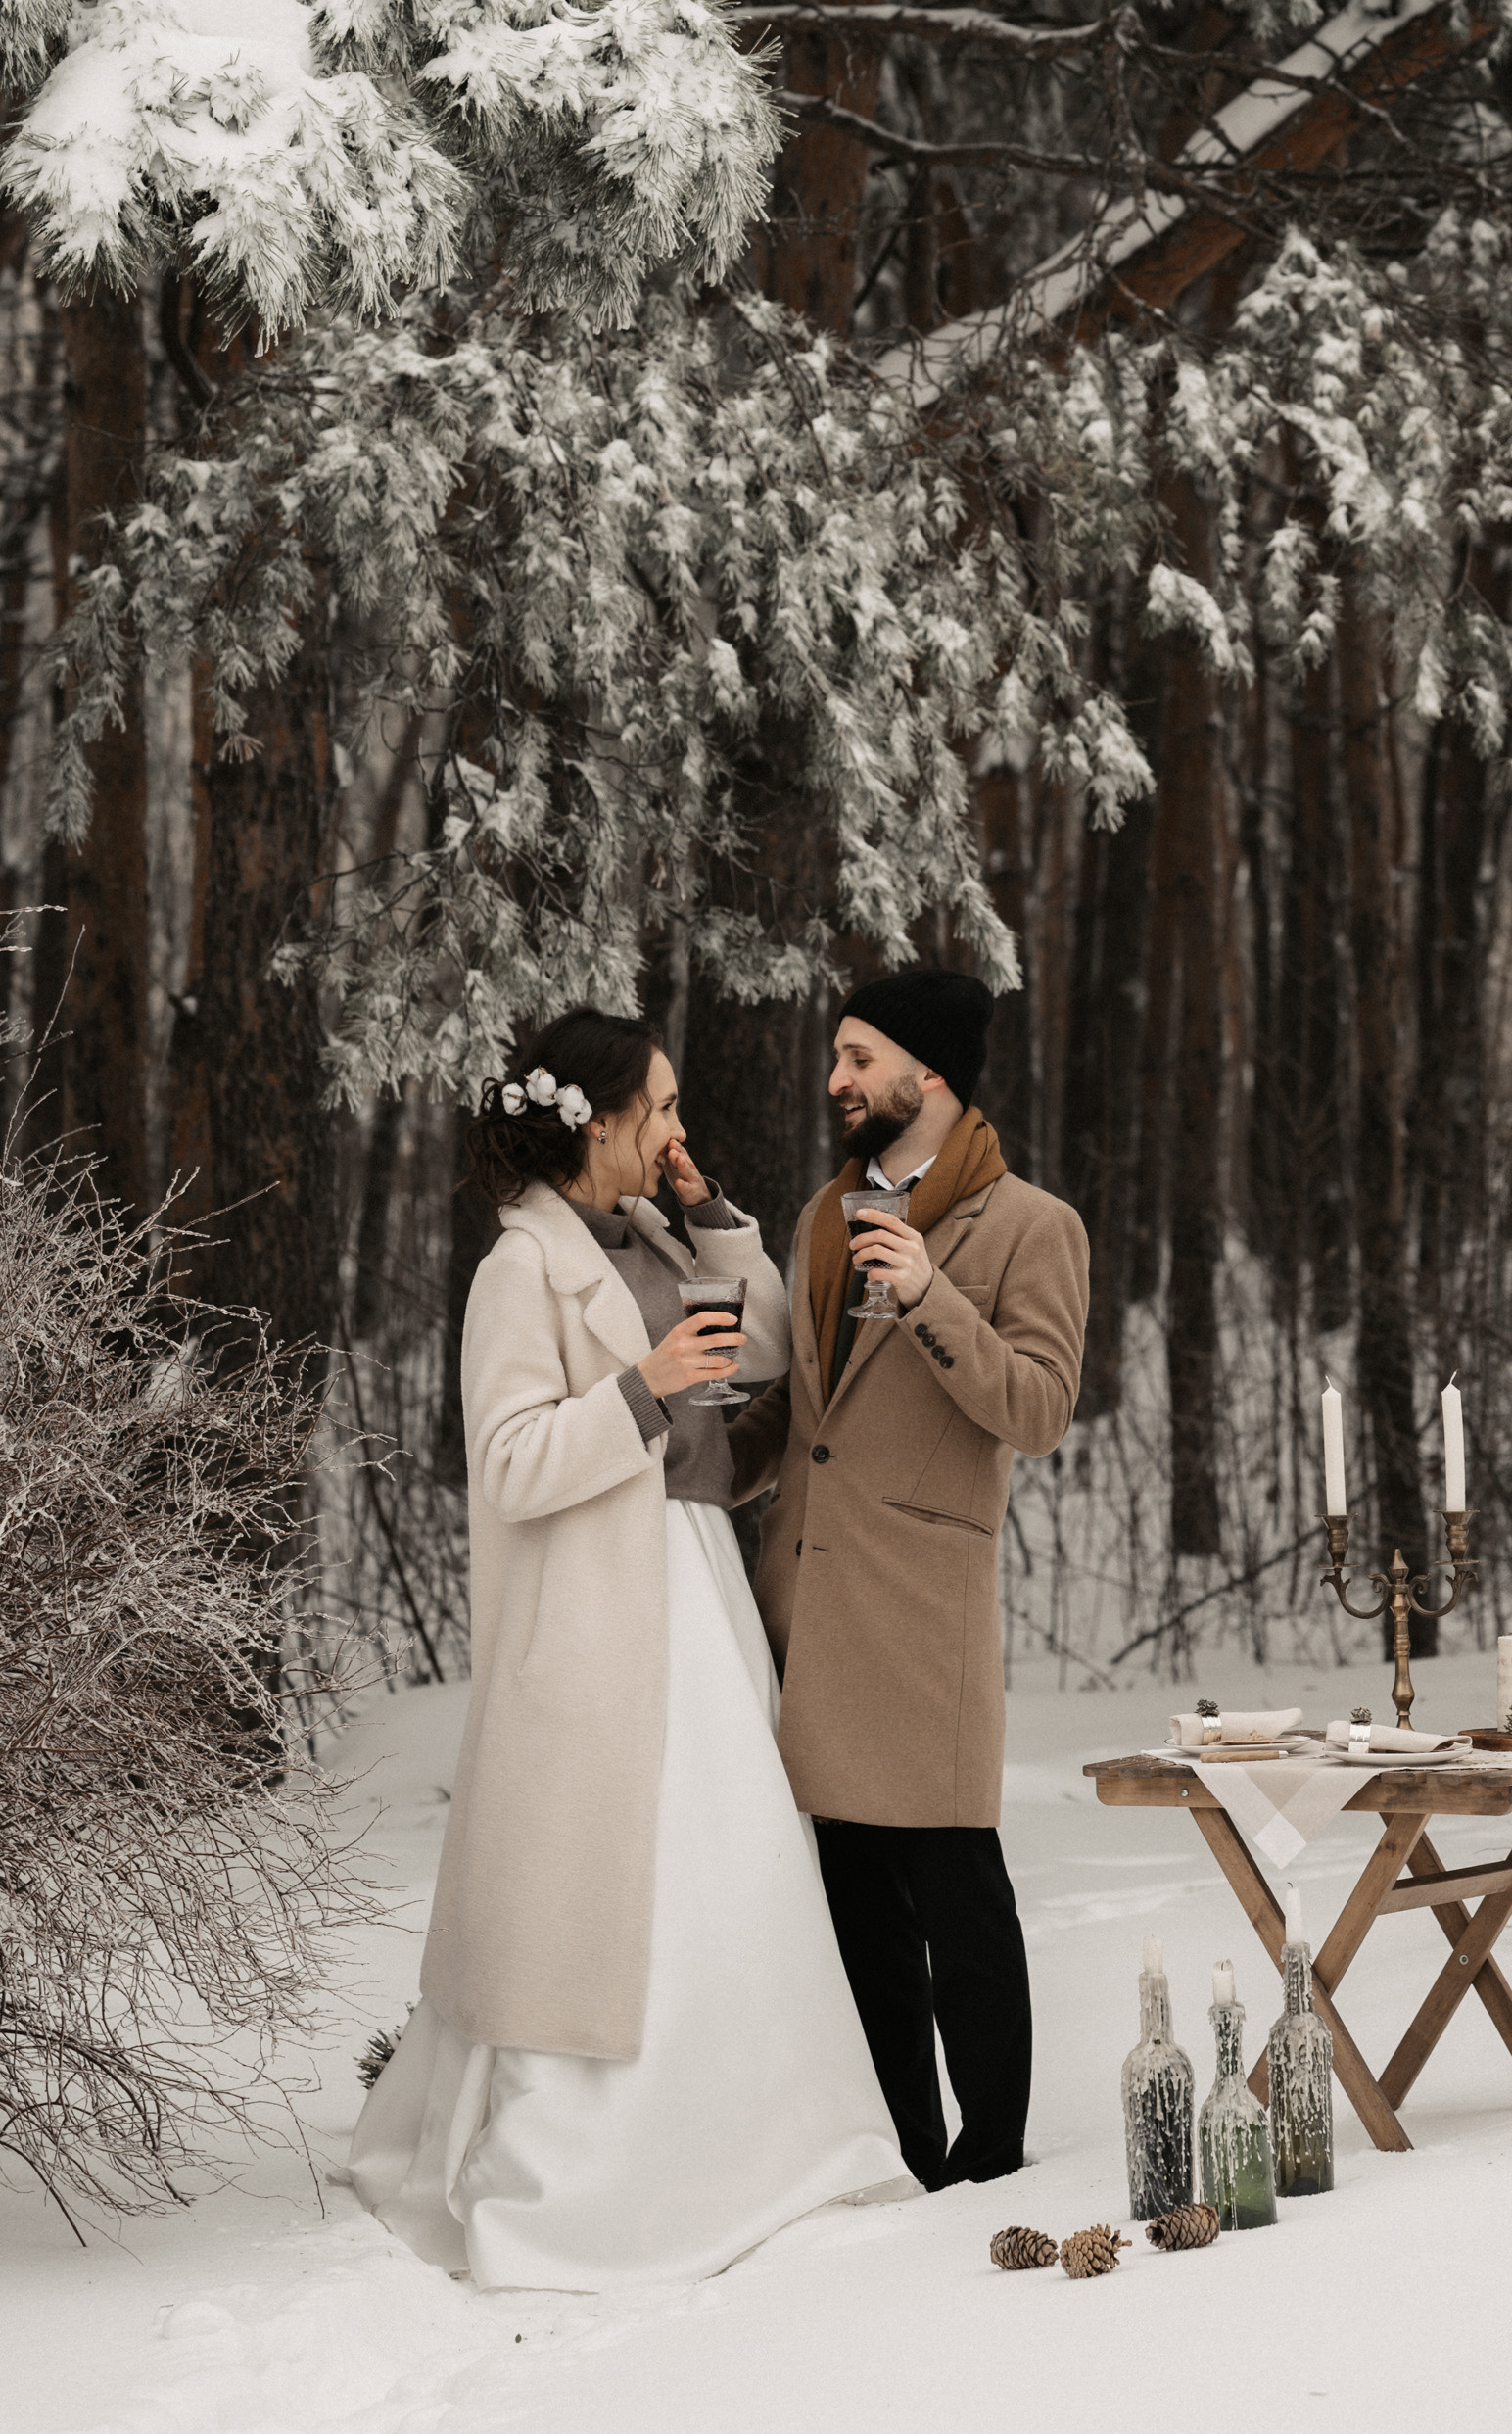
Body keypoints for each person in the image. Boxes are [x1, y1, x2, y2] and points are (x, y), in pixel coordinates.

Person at [351, 1006, 910, 2290]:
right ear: (594, 1120)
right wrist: (642, 1387)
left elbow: (766, 1347)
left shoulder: (657, 1234)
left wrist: (709, 1213)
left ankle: (769, 2144)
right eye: (658, 1108)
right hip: (597, 1608)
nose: (674, 1127)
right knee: (611, 1882)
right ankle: (588, 2176)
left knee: (735, 1858)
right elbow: (507, 1462)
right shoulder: (519, 1271)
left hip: (697, 1587)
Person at [740, 966, 1089, 2192]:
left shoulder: (1031, 1225)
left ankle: (992, 2157)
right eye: (836, 1055)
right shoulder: (818, 1216)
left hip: (924, 1604)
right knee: (854, 1906)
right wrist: (682, 1451)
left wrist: (930, 1294)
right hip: (808, 1599)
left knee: (957, 1890)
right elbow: (805, 1415)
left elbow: (1039, 1408)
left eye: (857, 1055)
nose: (835, 1078)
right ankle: (907, 2154)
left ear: (927, 1072)